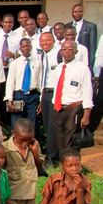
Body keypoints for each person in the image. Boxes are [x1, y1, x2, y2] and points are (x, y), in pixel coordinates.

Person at [51, 40, 93, 160]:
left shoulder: (82, 68)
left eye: (70, 49)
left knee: (70, 139)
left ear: (76, 51)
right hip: (59, 108)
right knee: (59, 139)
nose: (67, 52)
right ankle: (63, 164)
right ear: (61, 51)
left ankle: (73, 164)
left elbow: (87, 91)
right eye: (64, 49)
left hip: (74, 108)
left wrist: (86, 115)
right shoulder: (58, 68)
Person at [3, 118, 45, 204]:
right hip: (13, 196)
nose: (25, 144)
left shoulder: (34, 146)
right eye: (21, 140)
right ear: (13, 133)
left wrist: (35, 153)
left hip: (30, 195)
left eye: (29, 140)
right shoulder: (5, 148)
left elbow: (40, 169)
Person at [4, 38, 42, 128]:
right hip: (19, 95)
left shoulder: (37, 62)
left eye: (28, 46)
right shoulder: (15, 63)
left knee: (32, 123)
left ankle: (31, 141)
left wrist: (41, 99)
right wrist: (9, 99)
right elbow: (10, 82)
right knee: (17, 122)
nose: (26, 48)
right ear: (20, 48)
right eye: (23, 46)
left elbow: (40, 81)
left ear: (31, 47)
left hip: (33, 96)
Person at [38, 32, 60, 163]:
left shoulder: (58, 54)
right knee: (47, 126)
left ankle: (52, 158)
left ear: (53, 41)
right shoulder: (43, 56)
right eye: (42, 41)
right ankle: (52, 154)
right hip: (45, 93)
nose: (44, 43)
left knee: (52, 127)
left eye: (47, 40)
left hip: (55, 93)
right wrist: (41, 97)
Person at [68, 3, 98, 71]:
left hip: (84, 60)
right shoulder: (67, 26)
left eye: (80, 11)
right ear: (72, 13)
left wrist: (90, 66)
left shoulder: (90, 26)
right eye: (75, 12)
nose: (78, 13)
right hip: (69, 60)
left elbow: (93, 48)